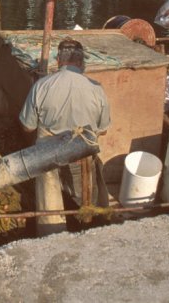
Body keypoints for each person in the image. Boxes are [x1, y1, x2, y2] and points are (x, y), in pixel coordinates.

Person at [19, 37, 111, 234]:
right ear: (81, 63)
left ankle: (51, 232)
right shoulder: (96, 88)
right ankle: (88, 230)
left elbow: (27, 127)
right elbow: (103, 129)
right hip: (81, 159)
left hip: (47, 156)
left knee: (50, 201)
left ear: (58, 61)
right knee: (85, 202)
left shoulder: (41, 86)